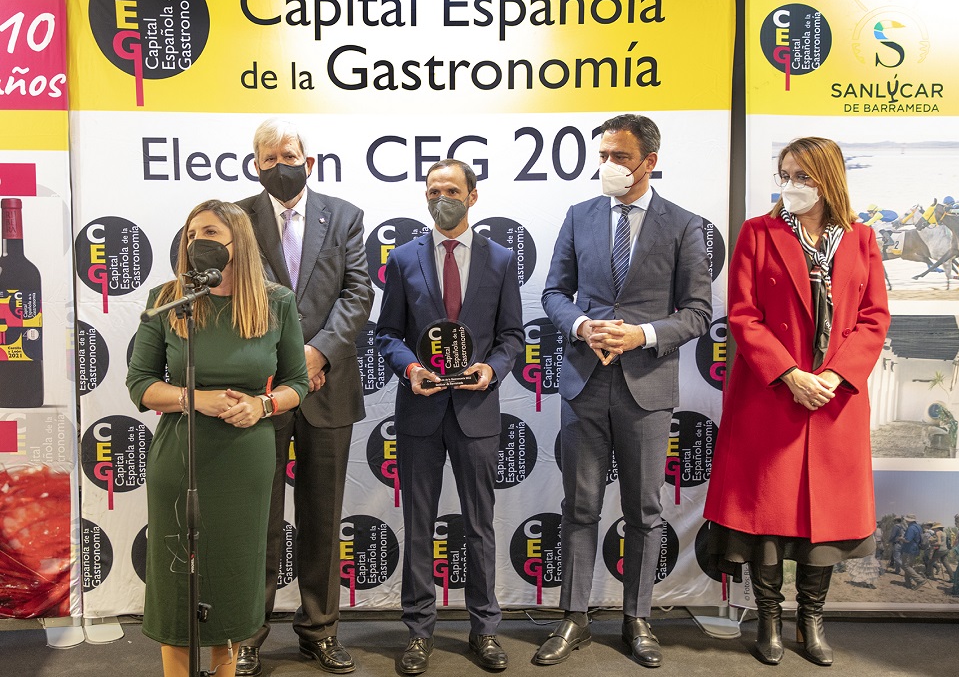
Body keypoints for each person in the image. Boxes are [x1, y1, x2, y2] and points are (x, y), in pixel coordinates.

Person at [703, 137, 890, 666]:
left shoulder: (862, 239)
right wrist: (789, 374)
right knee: (766, 514)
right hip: (772, 396)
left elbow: (874, 318)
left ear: (828, 180)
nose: (792, 185)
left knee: (824, 520)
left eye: (803, 176)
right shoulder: (758, 233)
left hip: (835, 401)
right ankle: (769, 620)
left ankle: (812, 620)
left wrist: (834, 375)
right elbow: (743, 314)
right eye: (785, 174)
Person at [536, 114, 712, 668]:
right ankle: (574, 619)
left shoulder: (683, 225)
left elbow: (700, 313)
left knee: (643, 510)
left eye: (619, 157)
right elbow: (554, 292)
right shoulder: (579, 215)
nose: (608, 166)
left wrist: (643, 334)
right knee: (580, 506)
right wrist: (584, 326)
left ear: (648, 162)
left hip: (646, 387)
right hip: (584, 383)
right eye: (603, 156)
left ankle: (638, 619)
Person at [126, 200, 309, 677]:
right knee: (177, 588)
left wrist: (261, 405)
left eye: (208, 231)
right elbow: (141, 385)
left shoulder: (276, 303)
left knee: (230, 585)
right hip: (180, 458)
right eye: (190, 234)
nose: (195, 241)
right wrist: (196, 398)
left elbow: (298, 382)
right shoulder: (167, 300)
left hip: (245, 463)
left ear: (237, 241)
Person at [235, 118, 374, 676]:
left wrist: (316, 357)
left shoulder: (344, 216)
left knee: (323, 518)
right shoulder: (237, 219)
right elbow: (232, 297)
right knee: (256, 521)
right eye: (267, 159)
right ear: (256, 165)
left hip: (328, 388)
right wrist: (285, 366)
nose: (278, 166)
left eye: (287, 155)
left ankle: (319, 630)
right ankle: (246, 635)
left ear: (308, 160)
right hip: (261, 392)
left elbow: (357, 293)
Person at [375, 159, 524, 675]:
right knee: (418, 525)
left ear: (473, 196)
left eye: (452, 190)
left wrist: (493, 368)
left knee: (480, 525)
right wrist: (410, 367)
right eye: (434, 190)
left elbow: (512, 337)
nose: (443, 198)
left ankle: (485, 630)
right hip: (419, 410)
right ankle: (418, 633)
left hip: (476, 412)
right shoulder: (401, 259)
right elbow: (386, 333)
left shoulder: (501, 260)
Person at [900, 514, 927, 590]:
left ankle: (920, 580)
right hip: (915, 549)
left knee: (905, 566)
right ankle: (908, 583)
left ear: (908, 520)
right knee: (909, 566)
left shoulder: (911, 528)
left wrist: (901, 538)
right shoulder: (918, 527)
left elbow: (907, 540)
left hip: (909, 549)